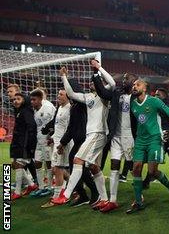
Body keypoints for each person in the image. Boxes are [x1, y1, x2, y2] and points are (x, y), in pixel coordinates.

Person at [51, 64, 111, 206]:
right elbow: (71, 94)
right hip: (91, 134)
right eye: (91, 81)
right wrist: (63, 76)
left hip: (98, 133)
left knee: (77, 160)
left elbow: (113, 83)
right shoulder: (88, 97)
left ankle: (65, 195)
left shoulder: (105, 94)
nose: (91, 83)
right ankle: (103, 199)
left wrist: (99, 69)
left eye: (94, 81)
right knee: (93, 167)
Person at [125, 79, 169, 213]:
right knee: (136, 169)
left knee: (152, 172)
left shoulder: (154, 101)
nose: (134, 86)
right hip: (140, 140)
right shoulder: (133, 105)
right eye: (133, 85)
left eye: (137, 85)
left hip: (154, 139)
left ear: (144, 88)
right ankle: (138, 202)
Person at [90, 60, 137, 213]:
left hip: (130, 137)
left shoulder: (138, 98)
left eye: (126, 78)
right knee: (114, 168)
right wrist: (96, 74)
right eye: (123, 78)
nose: (124, 80)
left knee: (133, 169)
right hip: (116, 137)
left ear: (134, 82)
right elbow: (103, 92)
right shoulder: (118, 94)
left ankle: (139, 196)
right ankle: (113, 200)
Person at [57, 79, 99, 207]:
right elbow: (71, 128)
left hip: (86, 139)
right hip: (79, 141)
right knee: (76, 166)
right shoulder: (74, 106)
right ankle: (83, 194)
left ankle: (94, 192)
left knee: (81, 167)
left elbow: (74, 127)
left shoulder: (82, 103)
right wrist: (63, 143)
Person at [40, 89, 73, 208]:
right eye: (58, 94)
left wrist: (63, 144)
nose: (58, 96)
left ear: (68, 96)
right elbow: (58, 127)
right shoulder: (60, 108)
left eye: (61, 94)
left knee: (57, 169)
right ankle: (74, 186)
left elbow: (69, 129)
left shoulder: (70, 109)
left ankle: (56, 197)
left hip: (63, 144)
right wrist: (53, 138)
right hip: (57, 142)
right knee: (56, 169)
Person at [9, 92, 38, 200]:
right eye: (14, 99)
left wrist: (30, 144)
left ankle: (17, 192)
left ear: (24, 100)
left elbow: (32, 127)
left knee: (19, 164)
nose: (15, 101)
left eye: (18, 99)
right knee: (16, 164)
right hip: (18, 142)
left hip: (24, 143)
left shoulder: (26, 111)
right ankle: (31, 185)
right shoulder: (19, 111)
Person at [29, 89, 56, 198]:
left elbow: (54, 123)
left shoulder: (48, 108)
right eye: (31, 100)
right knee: (37, 162)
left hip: (48, 140)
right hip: (39, 140)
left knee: (49, 163)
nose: (32, 102)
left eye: (34, 100)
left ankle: (49, 187)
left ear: (41, 99)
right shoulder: (35, 110)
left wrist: (51, 137)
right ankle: (41, 187)